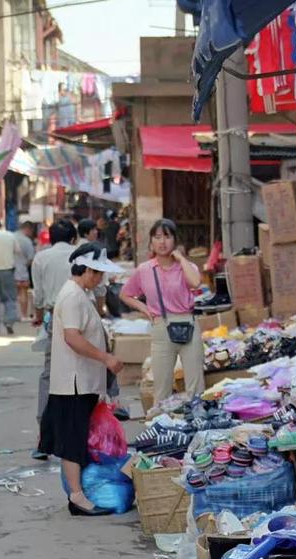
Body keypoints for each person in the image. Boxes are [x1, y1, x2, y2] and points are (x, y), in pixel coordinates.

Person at [38, 241, 124, 517]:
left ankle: (79, 494)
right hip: (73, 383)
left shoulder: (77, 294)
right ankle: (77, 497)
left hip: (80, 382)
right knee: (72, 441)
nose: (100, 279)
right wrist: (105, 358)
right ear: (87, 270)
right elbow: (72, 337)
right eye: (98, 273)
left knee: (76, 439)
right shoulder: (73, 296)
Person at [120, 218, 204, 406]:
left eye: (167, 236)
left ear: (175, 240)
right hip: (161, 327)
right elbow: (126, 294)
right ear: (151, 242)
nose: (162, 242)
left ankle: (197, 424)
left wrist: (181, 258)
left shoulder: (186, 267)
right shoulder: (145, 269)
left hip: (188, 324)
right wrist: (145, 310)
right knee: (162, 385)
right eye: (157, 237)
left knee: (195, 384)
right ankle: (162, 427)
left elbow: (196, 283)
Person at [31, 220, 77, 450]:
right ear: (73, 238)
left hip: (55, 318)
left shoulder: (41, 258)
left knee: (50, 375)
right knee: (88, 372)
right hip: (81, 318)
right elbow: (100, 291)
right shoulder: (80, 254)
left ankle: (44, 434)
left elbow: (38, 295)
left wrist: (39, 316)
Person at [14, 220, 35, 320]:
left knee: (11, 295)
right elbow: (31, 258)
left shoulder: (10, 237)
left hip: (9, 270)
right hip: (22, 271)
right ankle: (23, 315)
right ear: (28, 229)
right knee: (23, 292)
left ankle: (13, 314)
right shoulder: (27, 241)